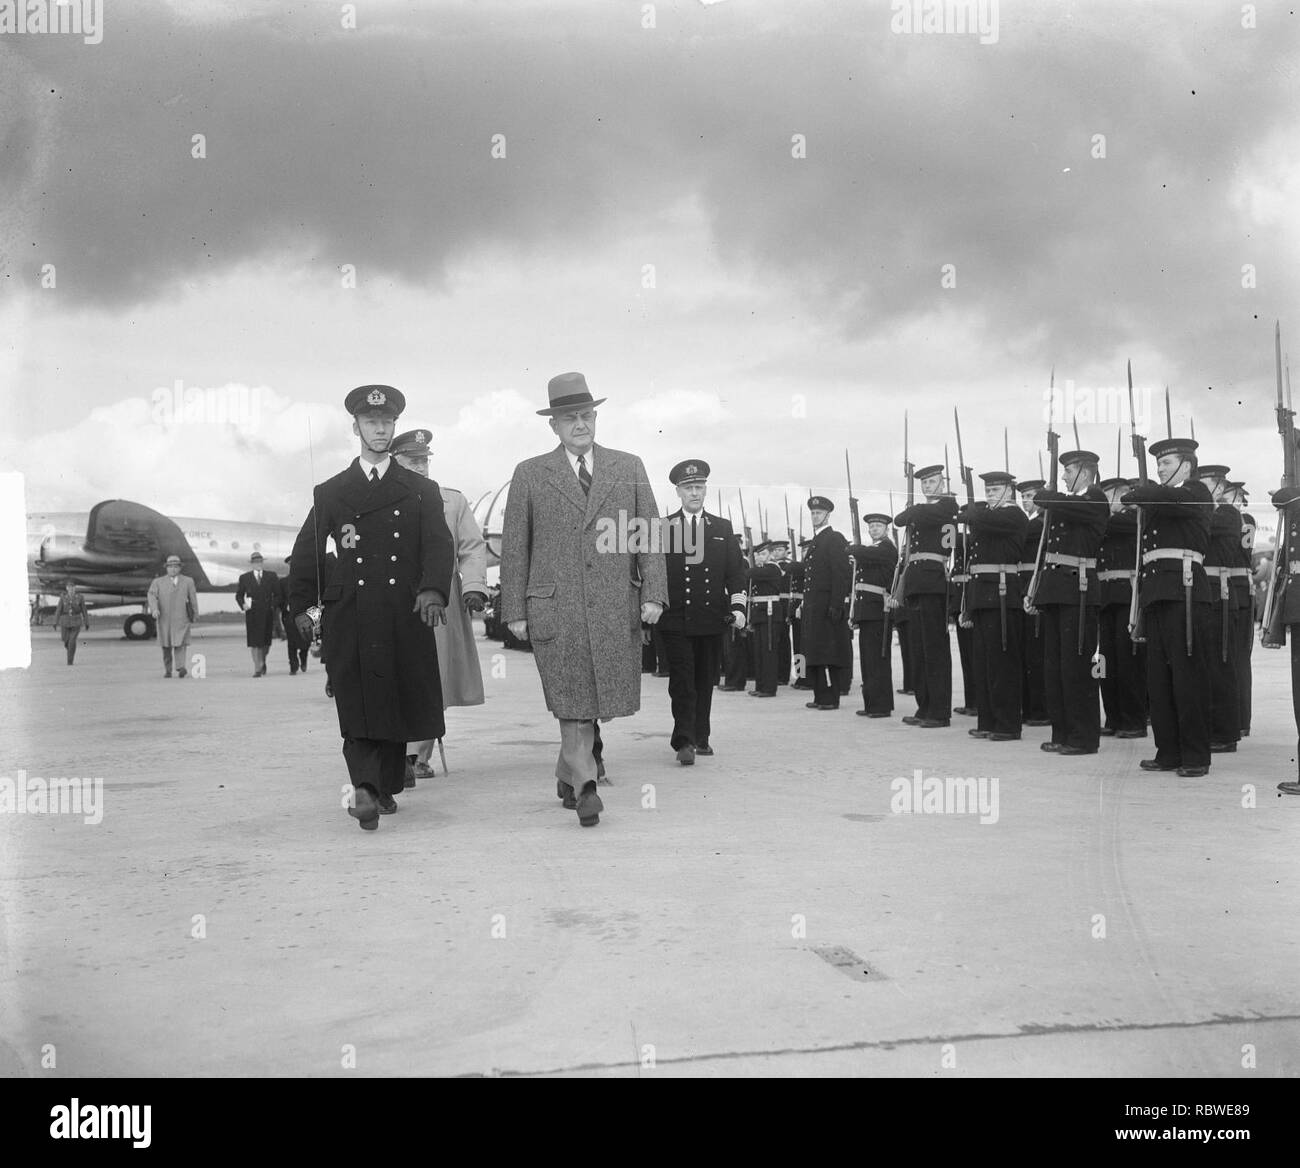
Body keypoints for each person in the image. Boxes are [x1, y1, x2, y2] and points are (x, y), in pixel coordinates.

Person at [499, 372, 668, 827]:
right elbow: (516, 545)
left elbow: (648, 534)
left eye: (586, 415)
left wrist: (654, 592)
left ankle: (567, 772)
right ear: (553, 425)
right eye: (569, 418)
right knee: (573, 701)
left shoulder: (628, 466)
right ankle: (587, 787)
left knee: (595, 703)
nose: (580, 424)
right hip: (556, 607)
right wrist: (514, 608)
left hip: (615, 603)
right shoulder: (530, 474)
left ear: (595, 417)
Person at [289, 384, 456, 831]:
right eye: (370, 422)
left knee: (396, 697)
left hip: (404, 610)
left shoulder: (421, 488)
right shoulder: (332, 491)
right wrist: (304, 606)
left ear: (393, 426)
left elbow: (439, 546)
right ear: (357, 427)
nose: (379, 429)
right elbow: (307, 551)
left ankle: (381, 786)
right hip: (351, 612)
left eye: (386, 423)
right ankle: (363, 788)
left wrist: (433, 591)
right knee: (356, 696)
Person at [390, 428, 489, 783]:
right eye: (411, 460)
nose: (420, 467)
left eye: (423, 460)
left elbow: (472, 547)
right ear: (394, 460)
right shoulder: (380, 499)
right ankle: (396, 753)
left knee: (436, 679)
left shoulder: (452, 501)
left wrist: (474, 587)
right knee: (397, 677)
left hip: (440, 604)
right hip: (394, 602)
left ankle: (416, 756)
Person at [1121, 437, 1213, 777]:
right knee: (1158, 679)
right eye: (1157, 464)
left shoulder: (1196, 493)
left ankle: (1195, 755)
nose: (1160, 469)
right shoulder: (1162, 498)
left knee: (1188, 677)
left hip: (1185, 589)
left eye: (1166, 463)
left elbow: (1155, 496)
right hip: (1158, 591)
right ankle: (1169, 751)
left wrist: (1139, 490)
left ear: (1186, 466)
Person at [657, 459, 747, 763]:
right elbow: (653, 573)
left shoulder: (722, 528)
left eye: (699, 487)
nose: (695, 493)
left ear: (705, 490)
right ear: (679, 492)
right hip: (676, 619)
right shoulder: (664, 528)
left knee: (705, 679)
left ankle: (701, 736)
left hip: (711, 618)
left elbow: (737, 572)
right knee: (682, 680)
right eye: (688, 488)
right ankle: (684, 740)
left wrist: (738, 606)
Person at [1027, 450, 1108, 755]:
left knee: (1076, 666)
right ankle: (1062, 732)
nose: (1063, 476)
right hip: (1056, 589)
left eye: (1068, 471)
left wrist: (1048, 494)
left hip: (1079, 589)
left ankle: (1084, 736)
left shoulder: (1095, 499)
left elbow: (1056, 502)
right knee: (1055, 667)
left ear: (1085, 474)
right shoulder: (1066, 502)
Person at [956, 472, 1028, 741]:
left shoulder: (1012, 515)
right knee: (984, 661)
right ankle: (988, 720)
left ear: (1010, 492)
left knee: (1002, 662)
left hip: (1002, 592)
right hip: (983, 592)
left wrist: (968, 509)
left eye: (996, 490)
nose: (991, 494)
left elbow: (980, 517)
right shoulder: (987, 516)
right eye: (988, 490)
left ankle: (1008, 724)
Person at [891, 464, 957, 727]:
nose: (928, 486)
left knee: (935, 649)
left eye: (932, 482)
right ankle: (925, 706)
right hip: (917, 581)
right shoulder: (924, 511)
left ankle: (939, 711)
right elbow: (898, 520)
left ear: (942, 483)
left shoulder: (947, 506)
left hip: (934, 580)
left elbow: (946, 543)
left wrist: (913, 510)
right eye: (924, 483)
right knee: (919, 649)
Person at [1095, 477, 1147, 738]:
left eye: (1108, 496)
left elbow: (1109, 525)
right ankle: (1114, 716)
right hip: (1105, 595)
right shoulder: (1108, 519)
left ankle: (1133, 719)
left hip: (1126, 595)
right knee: (1105, 662)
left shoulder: (1132, 517)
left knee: (1128, 662)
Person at [1197, 464, 1244, 752]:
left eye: (1204, 484)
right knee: (1206, 665)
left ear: (1217, 486)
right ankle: (1212, 728)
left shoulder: (1227, 513)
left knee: (1221, 665)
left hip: (1221, 594)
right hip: (1204, 591)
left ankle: (1225, 733)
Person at [801, 496, 853, 710]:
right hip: (814, 606)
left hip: (826, 606)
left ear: (828, 515)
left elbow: (840, 574)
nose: (815, 516)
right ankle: (820, 695)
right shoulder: (816, 541)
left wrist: (836, 604)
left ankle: (831, 697)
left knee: (829, 653)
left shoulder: (834, 538)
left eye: (819, 513)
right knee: (815, 652)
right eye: (813, 513)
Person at [847, 511, 897, 717]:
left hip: (878, 608)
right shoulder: (871, 550)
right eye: (871, 526)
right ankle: (871, 703)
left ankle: (881, 706)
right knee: (868, 660)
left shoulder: (886, 548)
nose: (874, 529)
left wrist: (853, 549)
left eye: (878, 526)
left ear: (886, 529)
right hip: (867, 608)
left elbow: (865, 554)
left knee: (878, 659)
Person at [1016, 479, 1051, 726]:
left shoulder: (1041, 523)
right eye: (1024, 496)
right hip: (1023, 583)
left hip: (1035, 584)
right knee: (1027, 653)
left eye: (1031, 495)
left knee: (1037, 653)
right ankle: (1030, 708)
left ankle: (1040, 709)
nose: (1026, 500)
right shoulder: (1030, 522)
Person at [1225, 481, 1255, 735]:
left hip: (1239, 589)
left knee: (1239, 659)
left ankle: (1241, 720)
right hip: (1230, 588)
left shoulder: (1245, 520)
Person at [146, 554, 198, 678]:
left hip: (182, 618)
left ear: (180, 568)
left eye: (176, 566)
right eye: (170, 566)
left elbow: (193, 599)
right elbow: (151, 596)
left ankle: (181, 667)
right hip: (164, 618)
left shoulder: (188, 581)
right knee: (166, 645)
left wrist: (195, 614)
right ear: (166, 568)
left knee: (180, 643)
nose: (173, 569)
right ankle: (168, 670)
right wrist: (154, 609)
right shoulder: (157, 582)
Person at [747, 540, 785, 699]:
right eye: (757, 555)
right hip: (760, 613)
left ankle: (769, 688)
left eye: (763, 554)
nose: (759, 557)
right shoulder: (762, 569)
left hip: (770, 613)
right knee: (760, 651)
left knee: (768, 651)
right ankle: (761, 685)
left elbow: (751, 574)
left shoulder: (773, 568)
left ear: (770, 555)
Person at [236, 551, 279, 677]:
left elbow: (278, 595)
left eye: (260, 561)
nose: (258, 564)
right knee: (255, 642)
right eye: (255, 562)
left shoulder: (271, 576)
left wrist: (272, 606)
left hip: (267, 612)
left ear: (262, 562)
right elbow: (239, 595)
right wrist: (243, 605)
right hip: (252, 612)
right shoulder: (244, 578)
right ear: (252, 564)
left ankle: (262, 660)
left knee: (266, 642)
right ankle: (257, 668)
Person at [279, 555, 310, 674]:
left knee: (304, 641)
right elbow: (279, 598)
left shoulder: (306, 581)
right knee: (291, 643)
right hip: (289, 616)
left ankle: (303, 660)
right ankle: (293, 666)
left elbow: (310, 596)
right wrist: (283, 607)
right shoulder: (282, 582)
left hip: (303, 615)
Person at [52, 580, 90, 665]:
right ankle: (70, 648)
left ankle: (70, 661)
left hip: (76, 621)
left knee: (72, 641)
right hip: (65, 621)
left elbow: (84, 610)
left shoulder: (80, 597)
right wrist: (55, 622)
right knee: (65, 640)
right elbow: (58, 610)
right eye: (69, 587)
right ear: (67, 588)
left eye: (73, 587)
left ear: (75, 588)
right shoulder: (63, 597)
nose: (71, 589)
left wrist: (86, 622)